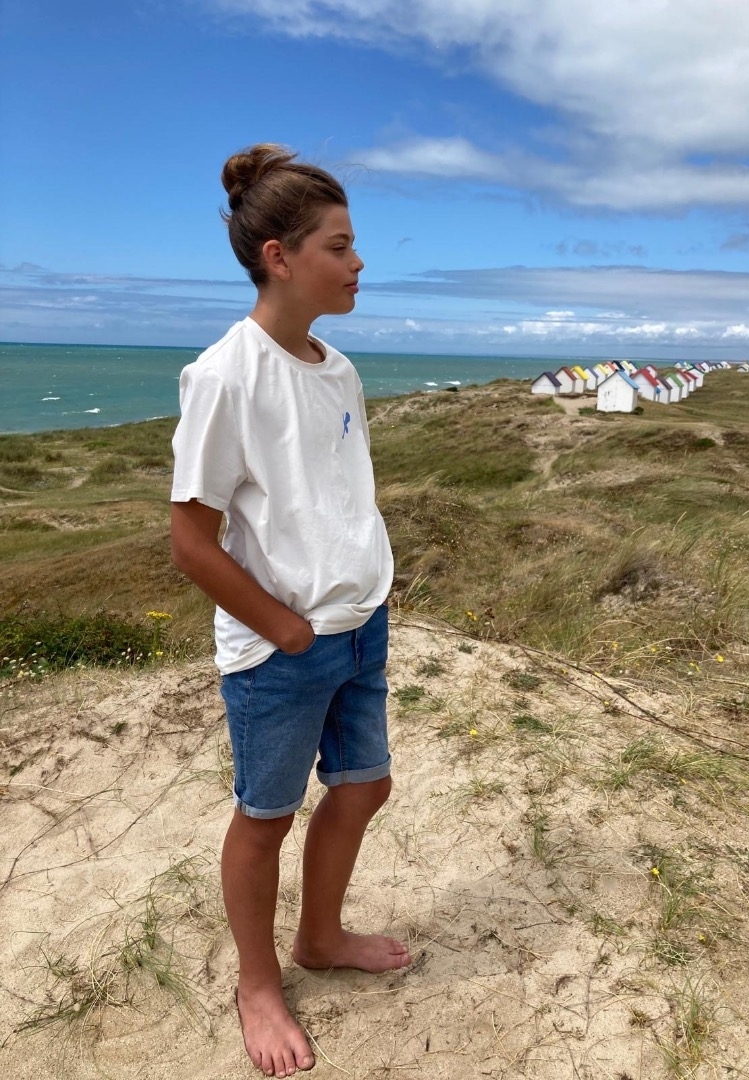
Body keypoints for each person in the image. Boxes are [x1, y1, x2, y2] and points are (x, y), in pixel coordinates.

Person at [170, 143, 410, 1079]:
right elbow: (192, 542)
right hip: (284, 649)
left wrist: (362, 593)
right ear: (279, 256)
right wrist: (287, 630)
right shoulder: (225, 375)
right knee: (265, 817)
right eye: (339, 247)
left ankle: (320, 937)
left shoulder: (337, 368)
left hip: (361, 625)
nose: (358, 263)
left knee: (363, 787)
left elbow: (334, 497)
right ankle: (259, 984)